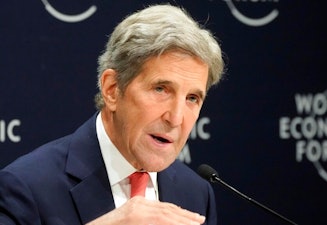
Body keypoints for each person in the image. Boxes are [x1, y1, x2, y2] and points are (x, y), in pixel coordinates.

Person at [0, 4, 224, 225]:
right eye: (160, 89)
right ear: (112, 90)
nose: (175, 118)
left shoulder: (196, 194)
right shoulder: (26, 187)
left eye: (192, 98)